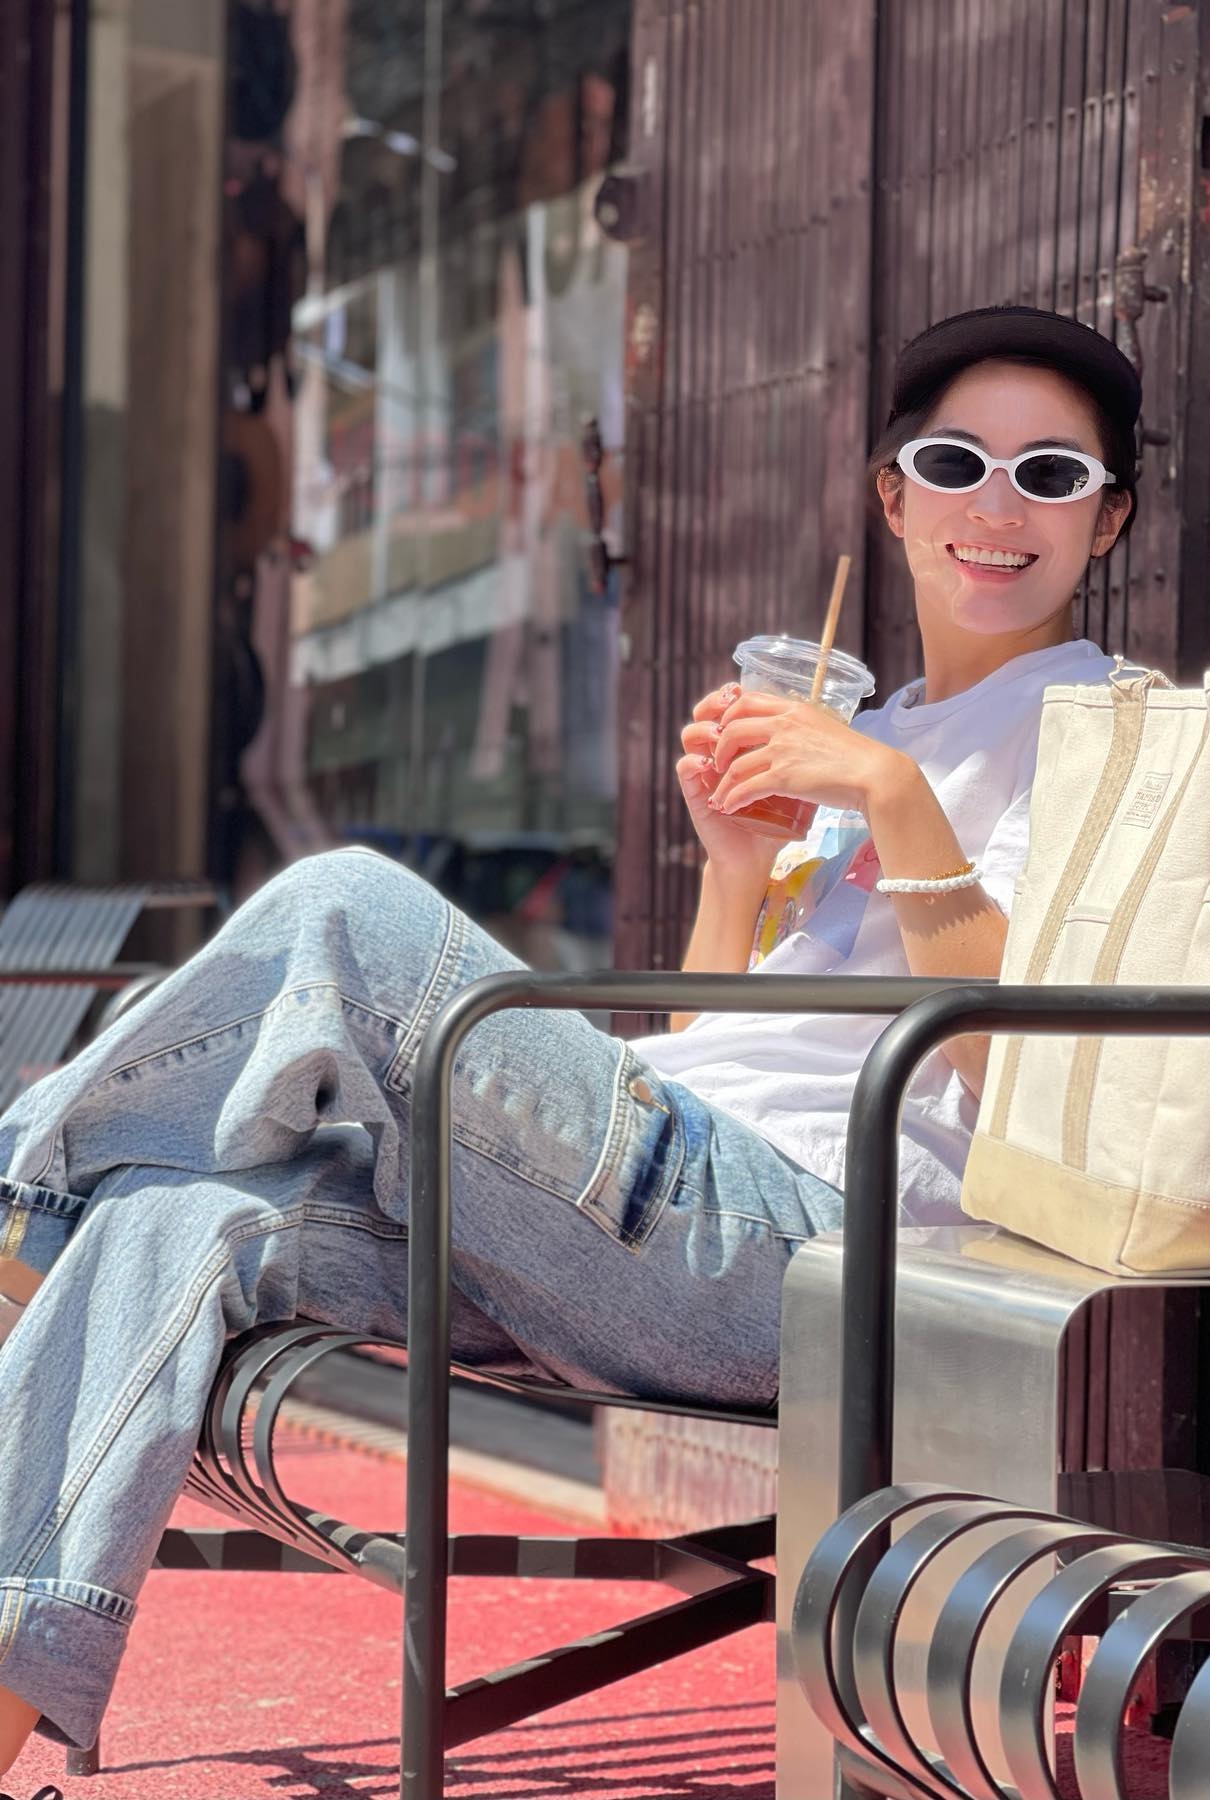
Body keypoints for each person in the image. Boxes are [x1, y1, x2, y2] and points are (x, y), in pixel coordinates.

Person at [0, 304, 1137, 1779]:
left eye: (1051, 475)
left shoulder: (1106, 731)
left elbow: (1023, 1072)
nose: (997, 506)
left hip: (827, 1253)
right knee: (176, 1215)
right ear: (893, 497)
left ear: (1106, 521)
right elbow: (717, 1049)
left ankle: (21, 1197)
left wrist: (897, 802)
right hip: (677, 1228)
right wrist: (737, 867)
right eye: (956, 463)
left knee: (350, 911)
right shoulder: (879, 727)